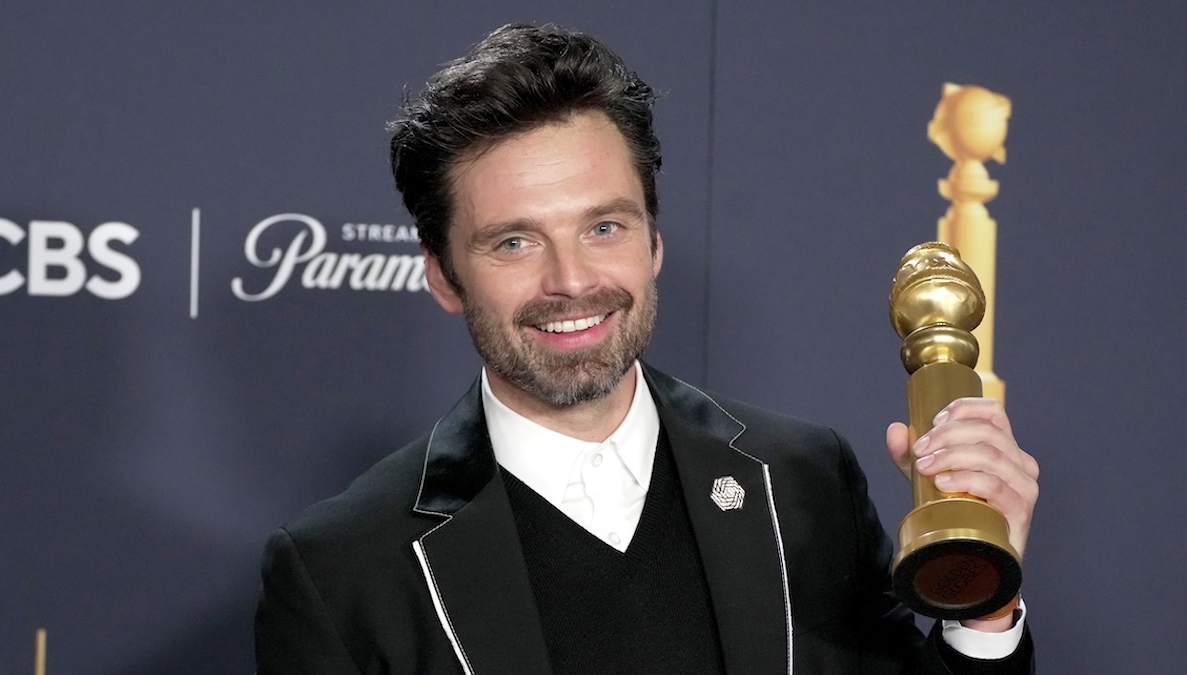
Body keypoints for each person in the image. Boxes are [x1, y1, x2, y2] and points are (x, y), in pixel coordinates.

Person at [255, 22, 1039, 674]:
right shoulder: (342, 571)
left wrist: (985, 601)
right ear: (444, 276)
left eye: (605, 227)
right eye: (515, 241)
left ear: (653, 239)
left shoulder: (805, 482)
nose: (571, 281)